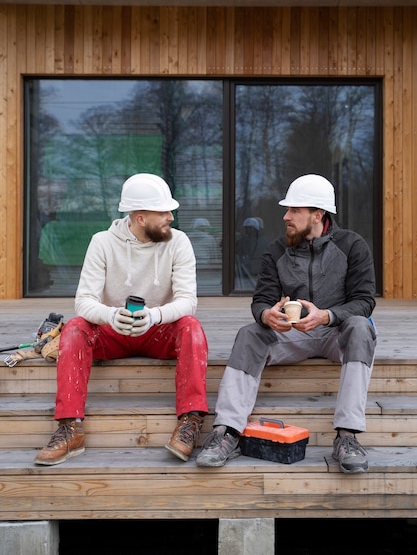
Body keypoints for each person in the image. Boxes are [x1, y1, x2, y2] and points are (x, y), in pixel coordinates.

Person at [196, 174, 377, 475]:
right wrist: (266, 314)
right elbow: (261, 300)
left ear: (318, 214)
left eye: (294, 210)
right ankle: (226, 432)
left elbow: (364, 300)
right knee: (249, 334)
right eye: (287, 210)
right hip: (292, 336)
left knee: (362, 326)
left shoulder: (352, 245)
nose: (286, 216)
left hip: (336, 333)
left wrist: (327, 316)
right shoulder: (277, 249)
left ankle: (348, 436)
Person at [34, 173, 208, 466]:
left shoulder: (179, 242)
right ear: (140, 217)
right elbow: (84, 302)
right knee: (75, 327)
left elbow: (187, 301)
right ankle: (69, 428)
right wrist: (111, 315)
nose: (171, 217)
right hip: (112, 333)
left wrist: (155, 315)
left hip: (158, 332)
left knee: (191, 327)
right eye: (164, 212)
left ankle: (190, 422)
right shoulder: (102, 242)